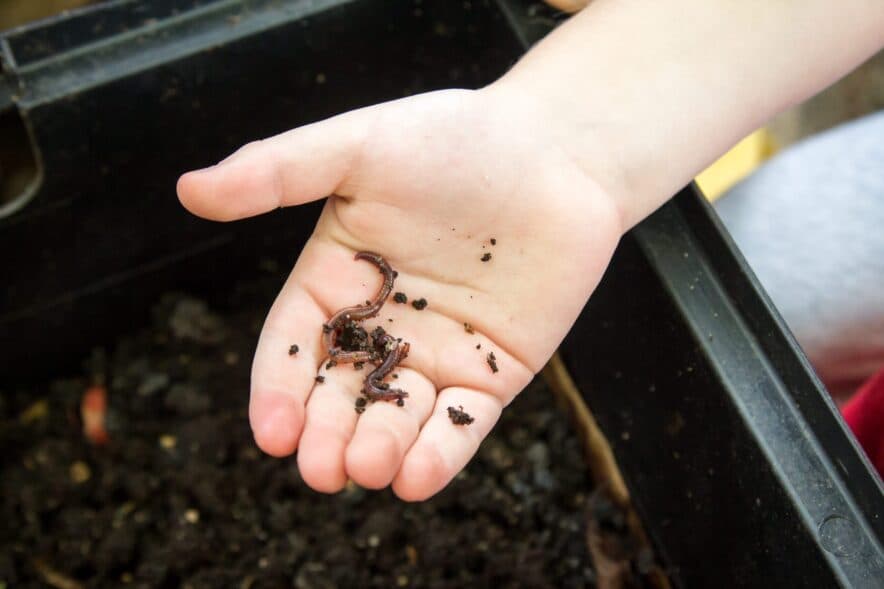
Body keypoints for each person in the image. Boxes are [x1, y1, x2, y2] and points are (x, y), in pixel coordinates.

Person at [177, 0, 884, 499]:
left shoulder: (368, 337)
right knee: (769, 265)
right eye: (379, 367)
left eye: (378, 367)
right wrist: (557, 132)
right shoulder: (368, 331)